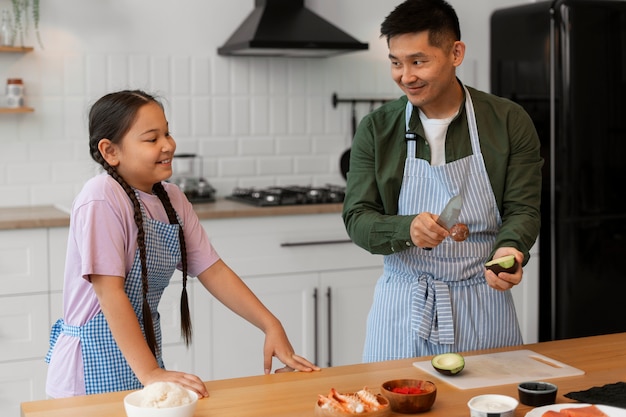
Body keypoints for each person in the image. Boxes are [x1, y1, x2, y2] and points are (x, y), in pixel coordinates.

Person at [45, 90, 320, 399]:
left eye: (168, 132)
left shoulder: (172, 198)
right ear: (110, 151)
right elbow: (110, 293)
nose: (168, 145)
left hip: (143, 356)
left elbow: (212, 270)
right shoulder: (101, 197)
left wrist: (271, 324)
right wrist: (150, 372)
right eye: (152, 139)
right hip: (90, 369)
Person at [342, 0, 543, 362]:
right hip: (405, 309)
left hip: (485, 305)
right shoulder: (376, 129)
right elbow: (357, 218)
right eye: (395, 62)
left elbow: (523, 209)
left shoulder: (509, 121)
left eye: (419, 61)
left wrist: (510, 249)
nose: (406, 76)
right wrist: (407, 229)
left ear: (456, 52)